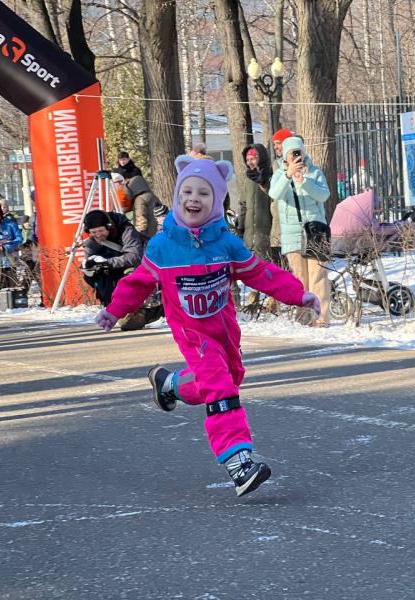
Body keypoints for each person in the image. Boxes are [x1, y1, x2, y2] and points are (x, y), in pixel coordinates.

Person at [94, 156, 320, 497]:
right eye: (187, 191)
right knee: (219, 386)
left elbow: (260, 273)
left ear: (216, 202)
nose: (193, 199)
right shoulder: (162, 246)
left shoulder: (225, 243)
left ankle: (169, 384)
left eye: (203, 193)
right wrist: (114, 311)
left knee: (229, 376)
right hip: (191, 333)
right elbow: (138, 282)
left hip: (224, 328)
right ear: (177, 196)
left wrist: (298, 294)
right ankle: (238, 460)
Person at [269, 136, 332, 327]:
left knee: (318, 275)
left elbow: (324, 195)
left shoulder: (314, 172)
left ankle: (322, 318)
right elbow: (274, 194)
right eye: (292, 153)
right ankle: (304, 317)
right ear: (286, 157)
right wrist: (288, 175)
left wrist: (305, 181)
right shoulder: (280, 174)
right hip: (292, 232)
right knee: (300, 279)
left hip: (315, 230)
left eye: (299, 152)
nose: (297, 156)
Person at [81, 209, 149, 331]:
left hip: (138, 266)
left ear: (109, 226)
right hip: (113, 269)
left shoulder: (126, 230)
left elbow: (135, 256)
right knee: (94, 276)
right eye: (93, 232)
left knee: (130, 275)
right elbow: (91, 264)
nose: (98, 235)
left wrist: (108, 262)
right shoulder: (91, 243)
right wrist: (90, 269)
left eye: (101, 230)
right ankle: (113, 306)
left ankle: (142, 310)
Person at [240, 144, 278, 258]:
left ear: (261, 158)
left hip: (268, 234)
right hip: (249, 237)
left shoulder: (272, 176)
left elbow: (276, 201)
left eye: (253, 159)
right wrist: (240, 227)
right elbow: (243, 205)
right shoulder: (248, 180)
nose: (249, 163)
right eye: (247, 160)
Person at [0, 201, 23, 292]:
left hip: (10, 260)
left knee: (12, 285)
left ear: (1, 213)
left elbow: (19, 238)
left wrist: (7, 247)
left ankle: (14, 304)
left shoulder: (10, 224)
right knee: (1, 287)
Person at [124, 174, 161, 240]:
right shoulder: (152, 196)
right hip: (158, 231)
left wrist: (137, 235)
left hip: (148, 235)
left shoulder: (139, 200)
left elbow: (141, 219)